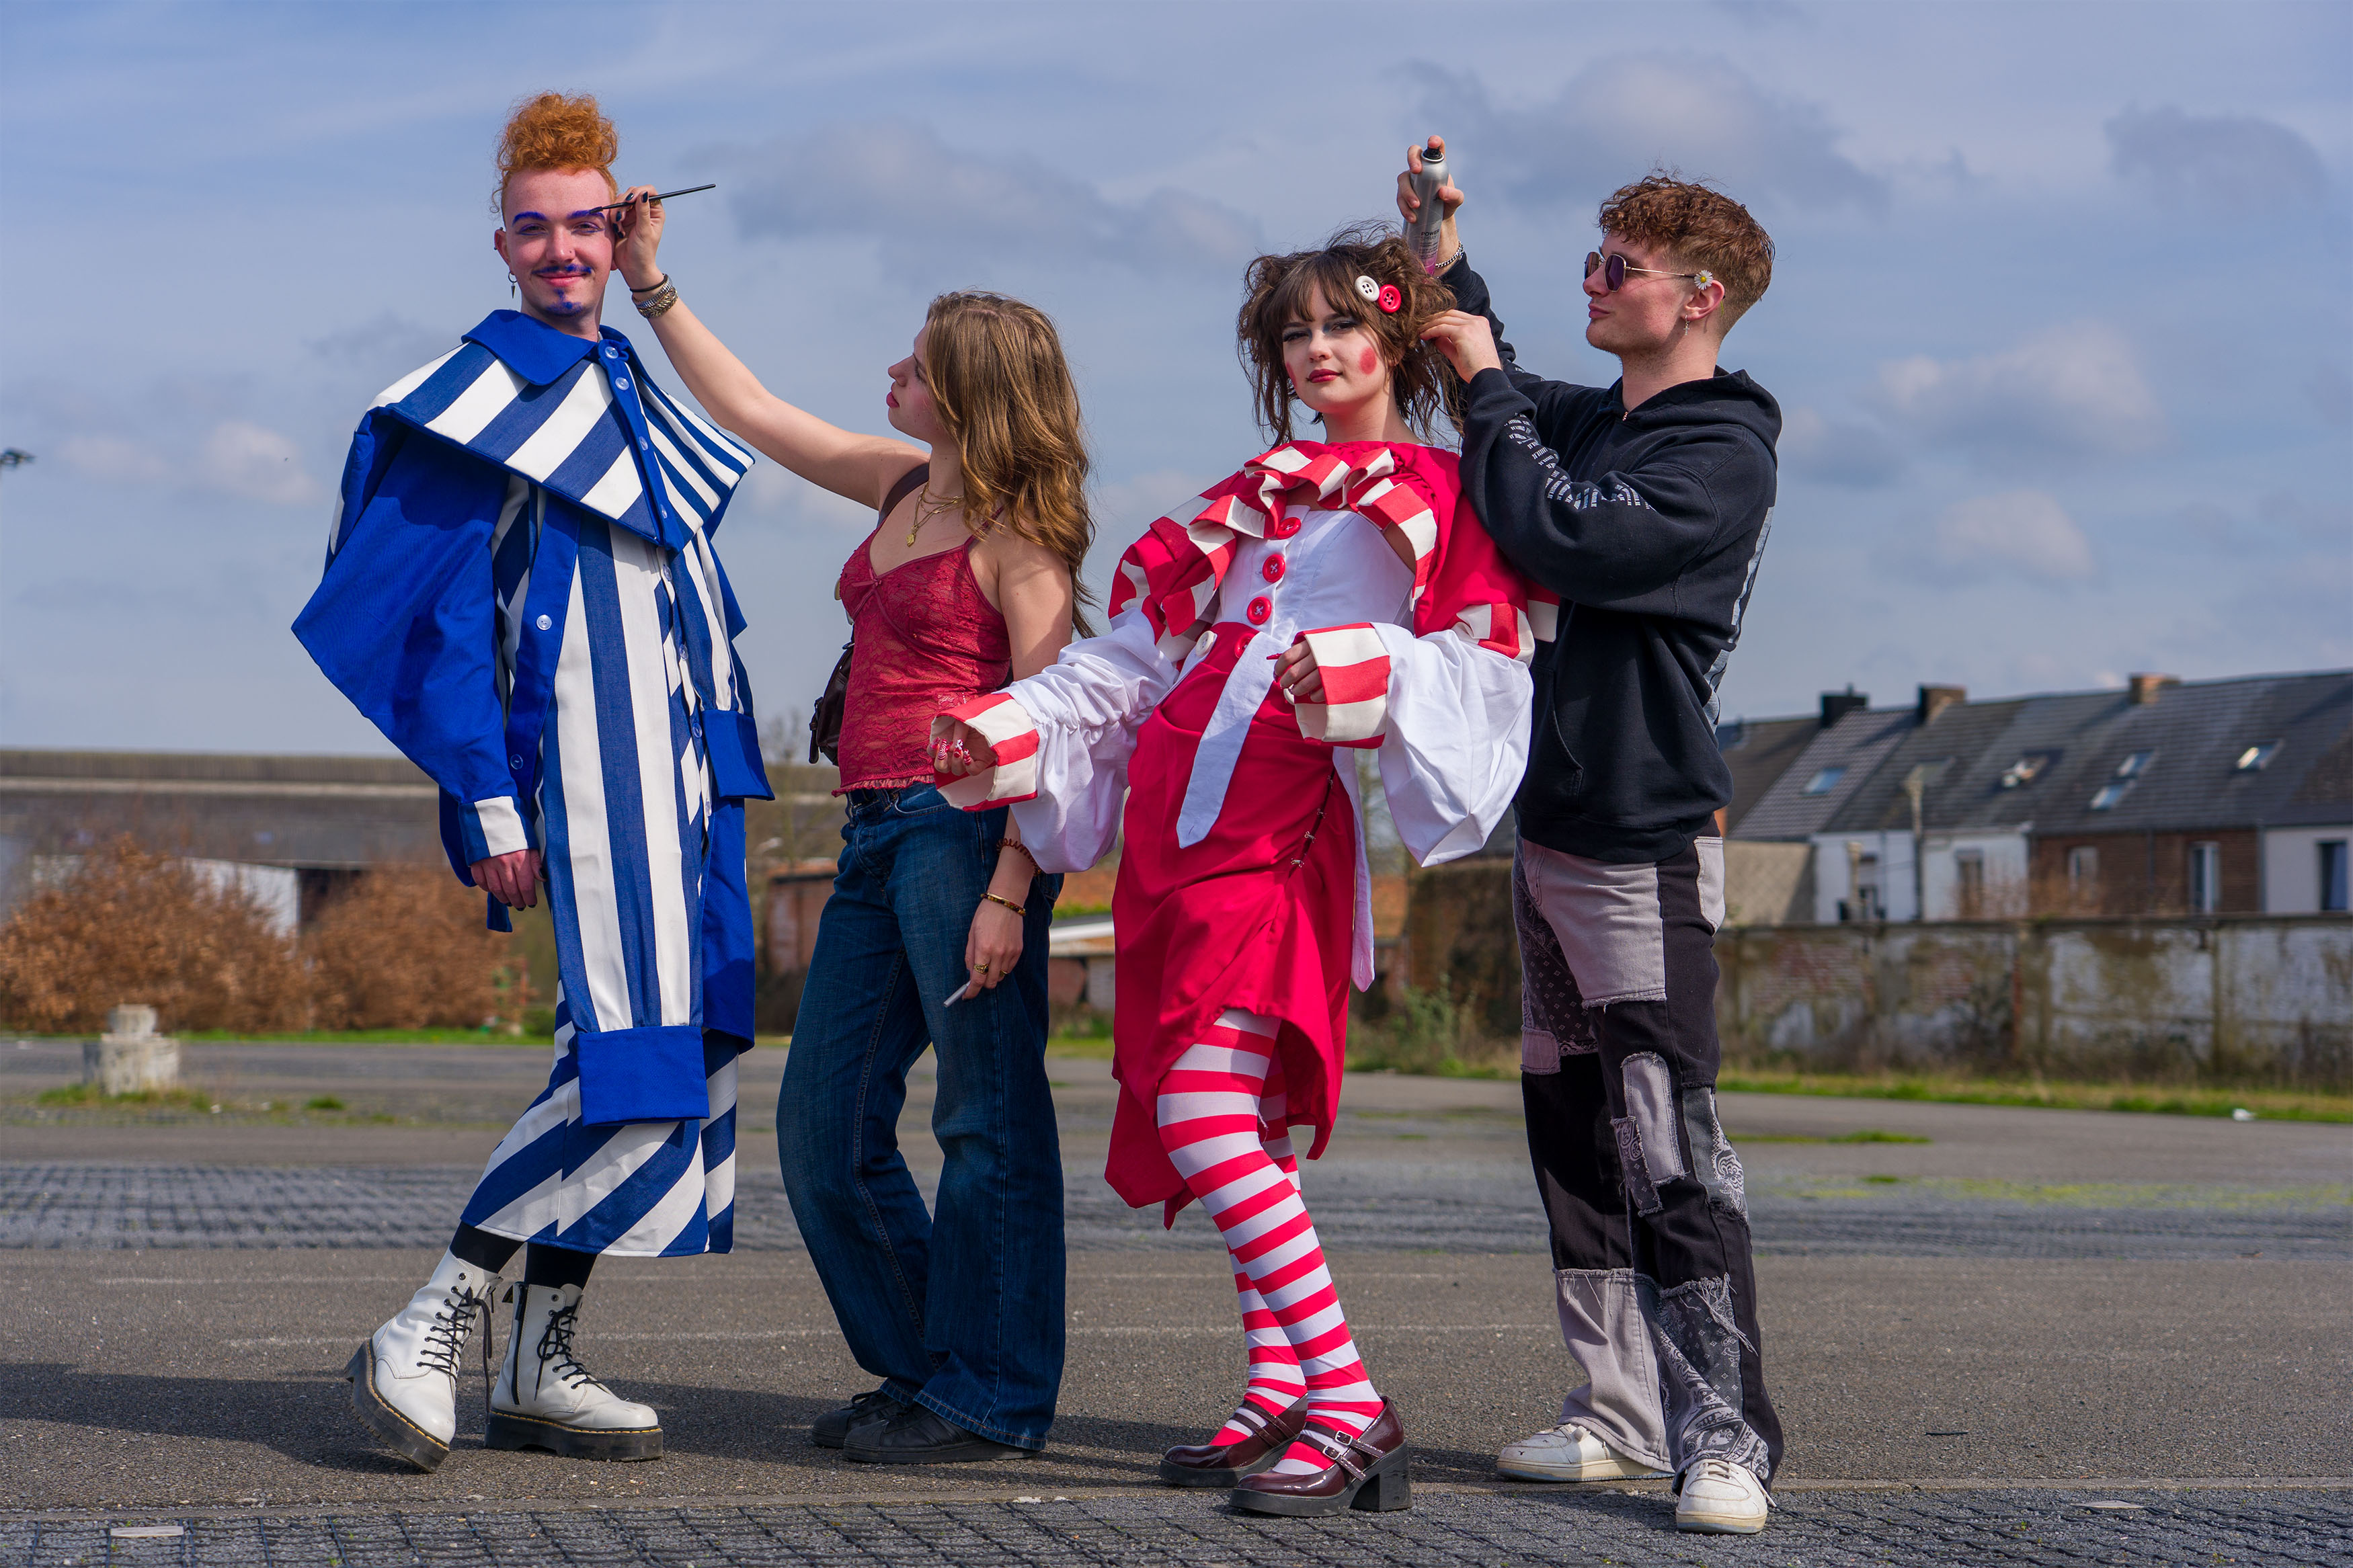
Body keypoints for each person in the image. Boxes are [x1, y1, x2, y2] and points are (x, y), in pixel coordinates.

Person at [933, 224, 1535, 1517]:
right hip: (1172, 832)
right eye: (1295, 334)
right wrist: (1015, 720)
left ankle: (1352, 1405)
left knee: (1206, 1115)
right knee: (1238, 1121)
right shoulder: (1244, 494)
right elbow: (1140, 663)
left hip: (1276, 835)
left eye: (1342, 327)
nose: (1317, 350)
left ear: (1395, 339)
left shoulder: (1442, 488)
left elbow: (1490, 668)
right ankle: (1278, 1388)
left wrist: (1371, 670)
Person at [295, 92, 772, 1473]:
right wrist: (490, 803)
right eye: (538, 229)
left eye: (589, 226)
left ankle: (535, 1352)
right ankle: (438, 1313)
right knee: (626, 1059)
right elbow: (436, 625)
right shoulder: (474, 399)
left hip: (692, 777)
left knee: (678, 1050)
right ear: (498, 243)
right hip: (583, 778)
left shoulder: (628, 377)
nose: (566, 251)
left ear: (621, 233)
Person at [610, 198, 1087, 1462]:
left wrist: (1011, 882)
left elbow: (1057, 716)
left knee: (986, 1122)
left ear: (967, 394)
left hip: (964, 837)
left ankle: (993, 1394)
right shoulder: (899, 488)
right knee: (821, 1133)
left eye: (914, 364)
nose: (892, 372)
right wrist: (651, 284)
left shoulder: (1019, 533)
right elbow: (754, 410)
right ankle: (934, 1370)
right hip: (872, 835)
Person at [1402, 141, 1786, 1535]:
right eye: (1591, 257)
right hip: (1551, 833)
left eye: (1618, 268)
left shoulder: (1719, 448)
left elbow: (1556, 532)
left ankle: (1725, 1436)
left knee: (1665, 1139)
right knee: (1571, 1129)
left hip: (1641, 836)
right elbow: (1480, 368)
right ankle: (1615, 1415)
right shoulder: (1596, 419)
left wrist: (1494, 387)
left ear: (1698, 298)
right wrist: (1441, 257)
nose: (1595, 280)